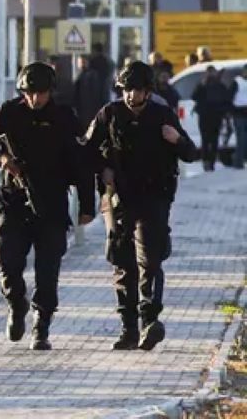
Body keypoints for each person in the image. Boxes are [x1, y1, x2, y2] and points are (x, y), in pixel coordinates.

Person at [0, 63, 95, 350]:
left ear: (50, 92)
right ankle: (16, 303)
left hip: (50, 202)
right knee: (6, 257)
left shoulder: (64, 117)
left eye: (40, 93)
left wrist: (86, 205)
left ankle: (42, 324)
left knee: (48, 268)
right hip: (13, 199)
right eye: (29, 93)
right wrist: (1, 159)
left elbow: (81, 164)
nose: (34, 99)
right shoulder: (7, 113)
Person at [83, 61, 198, 351]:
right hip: (119, 199)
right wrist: (102, 169)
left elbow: (191, 153)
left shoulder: (162, 116)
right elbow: (85, 150)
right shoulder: (108, 115)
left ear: (148, 91)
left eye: (138, 91)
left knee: (149, 258)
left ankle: (150, 320)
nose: (132, 97)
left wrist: (176, 140)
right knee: (122, 262)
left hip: (153, 198)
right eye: (127, 90)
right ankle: (128, 329)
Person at [192, 64, 232, 171]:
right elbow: (194, 96)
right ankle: (206, 161)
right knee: (205, 140)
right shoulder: (202, 85)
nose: (211, 74)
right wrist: (201, 85)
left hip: (216, 116)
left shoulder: (220, 85)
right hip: (204, 116)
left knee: (214, 140)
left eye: (212, 72)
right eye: (209, 72)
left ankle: (212, 162)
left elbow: (226, 100)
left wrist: (225, 114)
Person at [74, 54, 107, 134]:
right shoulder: (80, 74)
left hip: (89, 110)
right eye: (80, 62)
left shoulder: (92, 75)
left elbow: (96, 94)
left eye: (82, 62)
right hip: (82, 109)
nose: (81, 64)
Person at [233, 66, 247, 169]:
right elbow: (229, 97)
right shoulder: (237, 82)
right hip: (239, 113)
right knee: (241, 139)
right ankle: (238, 162)